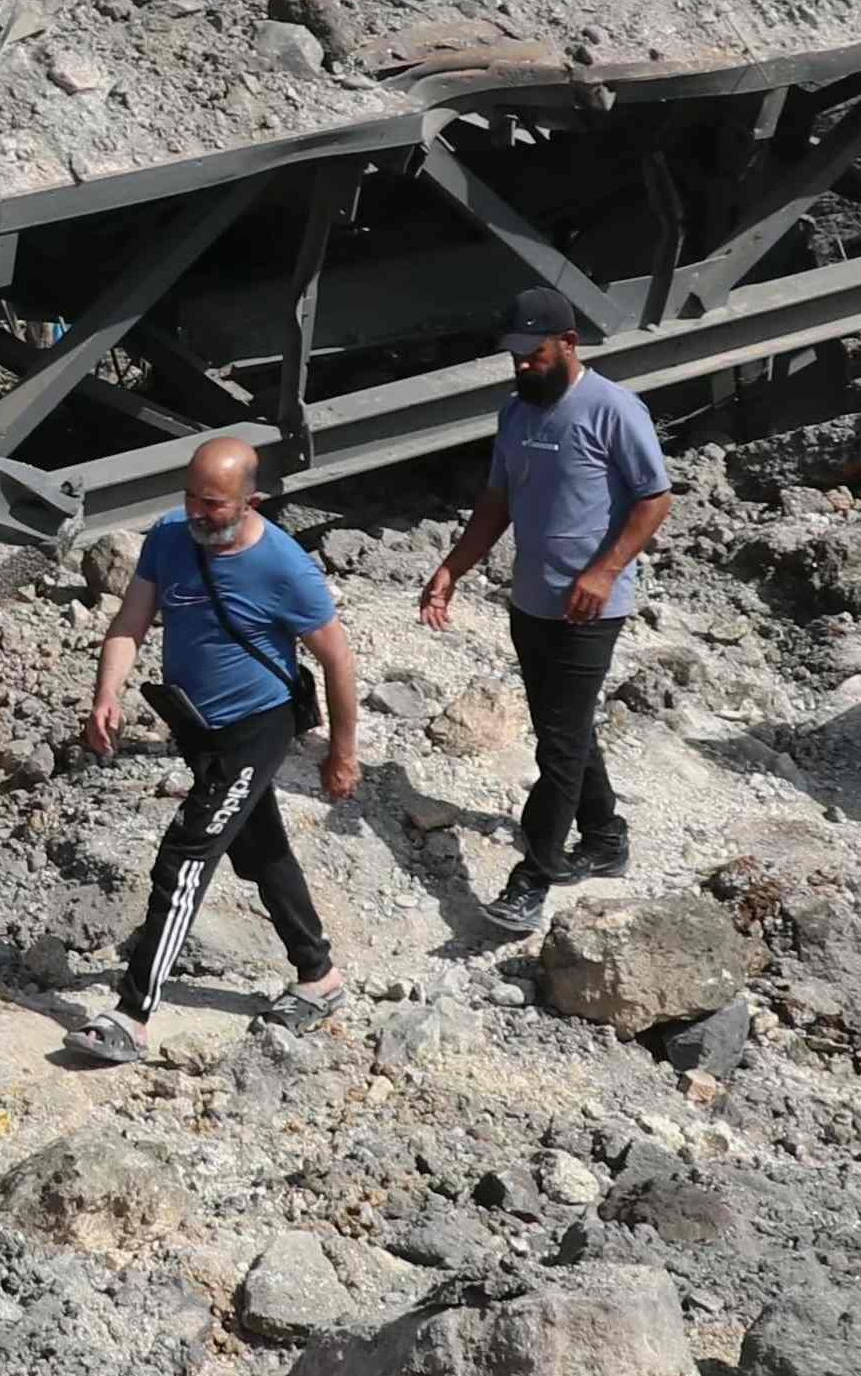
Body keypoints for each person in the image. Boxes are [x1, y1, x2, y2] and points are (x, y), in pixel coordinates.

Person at [78, 433, 359, 1064]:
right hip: (197, 725)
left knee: (185, 857)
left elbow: (339, 660)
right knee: (260, 850)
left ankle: (131, 1015)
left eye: (213, 504)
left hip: (258, 726)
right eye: (191, 499)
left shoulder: (283, 566)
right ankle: (319, 976)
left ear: (250, 501)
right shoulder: (168, 538)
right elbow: (130, 623)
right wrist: (106, 694)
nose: (197, 515)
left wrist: (342, 754)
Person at [418, 286, 674, 938]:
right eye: (515, 356)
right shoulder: (515, 413)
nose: (523, 365)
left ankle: (531, 881)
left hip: (591, 609)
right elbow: (496, 503)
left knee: (558, 745)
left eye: (534, 354)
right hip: (530, 600)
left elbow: (654, 499)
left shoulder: (614, 409)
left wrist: (605, 571)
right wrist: (451, 570)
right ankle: (606, 838)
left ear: (569, 343)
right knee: (566, 729)